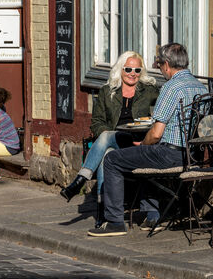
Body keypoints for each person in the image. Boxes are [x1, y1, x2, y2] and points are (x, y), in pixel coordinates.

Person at [87, 43, 207, 237]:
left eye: (159, 65)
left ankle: (115, 221)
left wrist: (143, 145)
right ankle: (151, 213)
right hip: (193, 155)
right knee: (142, 157)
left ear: (167, 65)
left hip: (170, 154)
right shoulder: (199, 86)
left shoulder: (170, 88)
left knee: (112, 159)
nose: (160, 69)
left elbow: (156, 133)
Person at [60, 51, 159, 227]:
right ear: (120, 69)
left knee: (107, 146)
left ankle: (81, 179)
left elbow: (162, 113)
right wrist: (109, 134)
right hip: (116, 140)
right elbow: (96, 123)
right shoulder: (107, 91)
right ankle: (104, 212)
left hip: (138, 143)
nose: (132, 74)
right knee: (107, 151)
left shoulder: (149, 91)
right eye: (128, 69)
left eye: (137, 70)